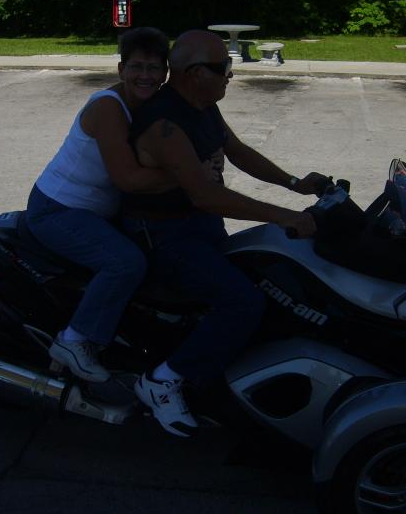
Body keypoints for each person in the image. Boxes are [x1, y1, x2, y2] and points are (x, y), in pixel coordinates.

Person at [122, 30, 329, 437]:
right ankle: (163, 380)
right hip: (167, 236)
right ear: (197, 73)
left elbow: (237, 150)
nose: (230, 76)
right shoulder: (165, 123)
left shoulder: (202, 106)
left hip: (197, 227)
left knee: (269, 276)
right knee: (243, 302)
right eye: (225, 68)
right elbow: (205, 195)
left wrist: (294, 183)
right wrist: (284, 216)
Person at [25, 27, 174, 384]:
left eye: (154, 68)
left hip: (96, 212)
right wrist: (190, 177)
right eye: (136, 67)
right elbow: (127, 178)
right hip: (57, 209)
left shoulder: (149, 103)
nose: (145, 75)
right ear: (121, 70)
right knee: (125, 263)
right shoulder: (110, 107)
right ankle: (74, 340)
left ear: (166, 71)